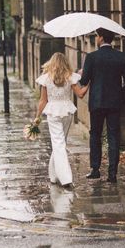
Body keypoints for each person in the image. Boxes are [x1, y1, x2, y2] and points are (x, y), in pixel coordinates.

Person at [79, 28, 125, 184]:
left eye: (97, 37)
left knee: (95, 135)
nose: (96, 39)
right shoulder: (121, 57)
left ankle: (95, 170)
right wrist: (121, 97)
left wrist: (82, 72)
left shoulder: (92, 57)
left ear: (101, 38)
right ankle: (112, 173)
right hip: (114, 103)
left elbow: (83, 81)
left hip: (96, 102)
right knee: (113, 136)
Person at [35, 53, 89, 188]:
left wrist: (37, 116)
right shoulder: (69, 77)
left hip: (53, 112)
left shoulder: (46, 79)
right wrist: (88, 83)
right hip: (67, 111)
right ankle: (53, 175)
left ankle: (65, 178)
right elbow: (81, 94)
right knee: (60, 143)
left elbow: (43, 100)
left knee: (58, 144)